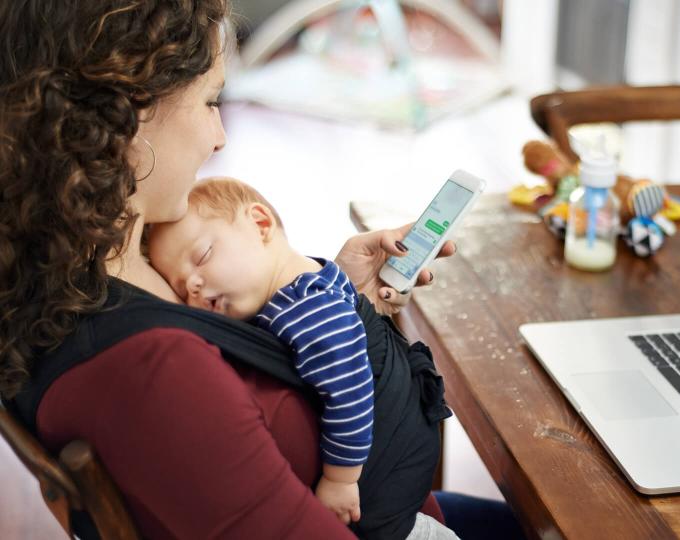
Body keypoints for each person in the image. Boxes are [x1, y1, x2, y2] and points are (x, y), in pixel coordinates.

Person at [0, 2, 530, 539]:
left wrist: (337, 300)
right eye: (211, 102)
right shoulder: (152, 369)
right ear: (128, 113)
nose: (219, 137)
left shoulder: (78, 268)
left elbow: (237, 372)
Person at [147, 176, 453, 538]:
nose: (193, 285)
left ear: (260, 224)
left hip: (381, 496)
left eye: (202, 257)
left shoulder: (304, 309)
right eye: (181, 288)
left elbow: (350, 393)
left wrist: (340, 479)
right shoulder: (308, 283)